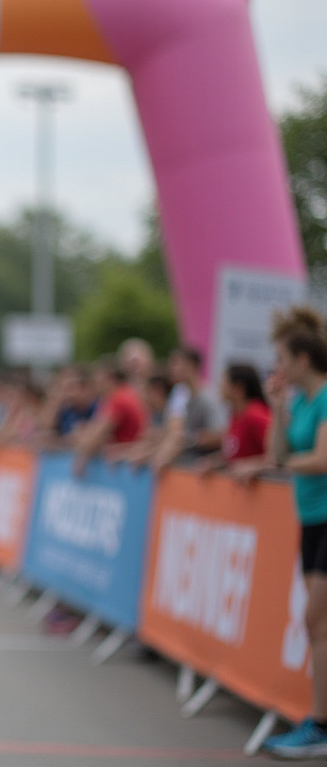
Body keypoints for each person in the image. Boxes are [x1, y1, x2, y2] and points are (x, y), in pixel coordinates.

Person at [235, 308, 327, 758]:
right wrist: (276, 406)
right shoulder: (303, 402)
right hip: (309, 517)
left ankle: (321, 724)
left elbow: (321, 459)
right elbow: (278, 452)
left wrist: (276, 464)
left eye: (282, 359)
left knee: (317, 621)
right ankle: (319, 722)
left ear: (302, 359)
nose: (278, 367)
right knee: (318, 625)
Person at [145, 347, 226, 471]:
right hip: (184, 466)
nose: (172, 369)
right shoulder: (179, 394)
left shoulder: (209, 399)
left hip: (201, 469)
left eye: (176, 364)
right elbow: (173, 433)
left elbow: (220, 436)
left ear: (191, 366)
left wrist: (189, 439)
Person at [72, 354, 147, 475]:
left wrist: (81, 457)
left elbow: (97, 433)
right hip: (122, 459)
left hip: (125, 467)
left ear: (109, 378)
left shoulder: (119, 399)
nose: (96, 383)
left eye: (98, 378)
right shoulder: (122, 395)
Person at [196, 363, 269, 474]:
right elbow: (234, 452)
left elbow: (277, 456)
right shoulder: (236, 415)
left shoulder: (256, 415)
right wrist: (214, 462)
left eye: (224, 382)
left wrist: (254, 466)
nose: (219, 386)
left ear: (238, 388)